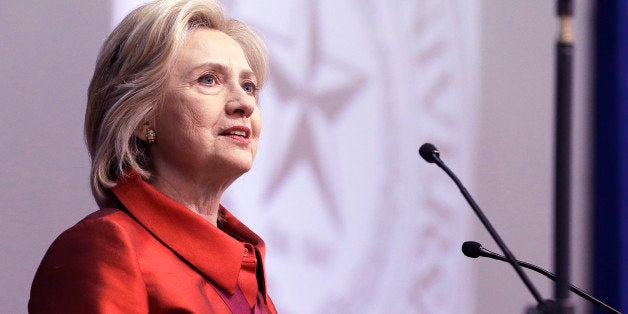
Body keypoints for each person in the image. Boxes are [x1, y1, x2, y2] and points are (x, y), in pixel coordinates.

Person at [28, 0, 277, 312]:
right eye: (208, 79)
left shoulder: (251, 281)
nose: (245, 104)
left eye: (249, 86)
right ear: (142, 116)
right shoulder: (106, 250)